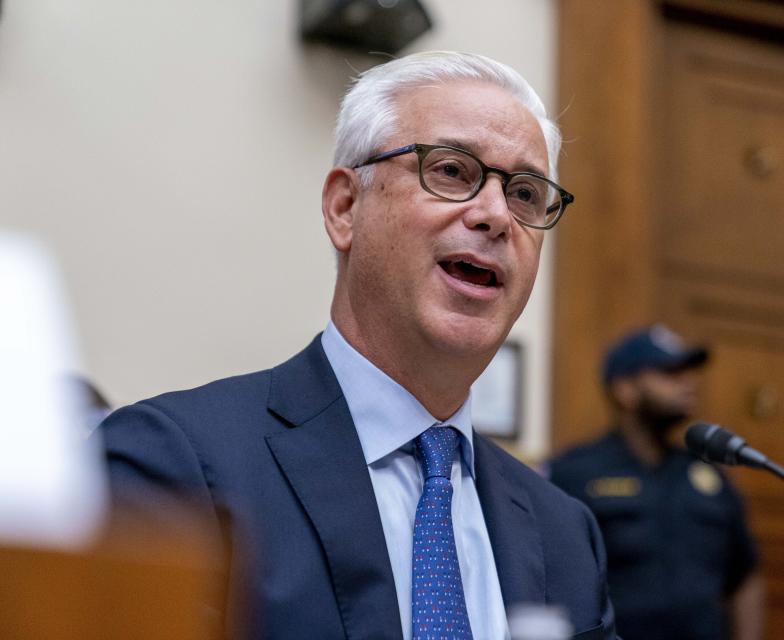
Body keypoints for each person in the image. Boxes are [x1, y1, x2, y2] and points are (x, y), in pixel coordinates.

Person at [99, 51, 615, 640]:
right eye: (450, 171)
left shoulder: (566, 534)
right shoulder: (172, 466)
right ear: (345, 208)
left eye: (525, 193)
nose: (496, 215)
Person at [550, 325, 763, 640]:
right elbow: (553, 580)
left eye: (689, 372)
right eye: (670, 373)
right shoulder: (575, 472)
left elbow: (744, 575)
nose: (689, 383)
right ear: (625, 389)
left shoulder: (709, 476)